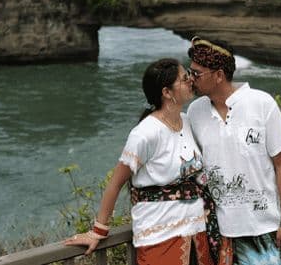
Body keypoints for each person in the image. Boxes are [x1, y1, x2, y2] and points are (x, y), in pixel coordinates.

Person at [63, 58, 216, 265]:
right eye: (183, 78)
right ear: (166, 92)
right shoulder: (145, 133)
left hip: (196, 233)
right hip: (160, 234)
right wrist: (98, 230)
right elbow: (116, 183)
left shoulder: (187, 121)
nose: (190, 80)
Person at [186, 36, 281, 265]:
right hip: (215, 233)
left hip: (261, 229)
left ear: (219, 75)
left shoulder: (261, 104)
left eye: (197, 73)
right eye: (190, 71)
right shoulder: (195, 112)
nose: (190, 78)